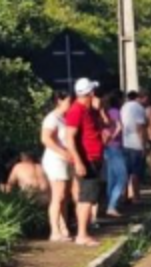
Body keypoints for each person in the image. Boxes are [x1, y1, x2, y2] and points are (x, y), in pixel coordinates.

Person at [64, 77, 109, 246]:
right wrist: (79, 161)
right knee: (86, 198)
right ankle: (82, 234)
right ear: (89, 93)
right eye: (93, 92)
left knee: (90, 197)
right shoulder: (76, 110)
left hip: (95, 157)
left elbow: (106, 124)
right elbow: (69, 138)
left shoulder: (90, 110)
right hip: (86, 159)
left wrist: (100, 110)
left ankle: (84, 232)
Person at [41, 90, 74, 242]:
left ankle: (63, 226)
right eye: (68, 101)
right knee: (58, 195)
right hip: (55, 159)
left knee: (65, 197)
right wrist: (62, 152)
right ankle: (54, 230)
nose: (70, 104)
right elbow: (45, 139)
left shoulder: (64, 118)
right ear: (59, 101)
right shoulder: (52, 118)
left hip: (65, 159)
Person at [102, 91, 127, 218]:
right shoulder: (115, 111)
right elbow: (119, 127)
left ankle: (109, 204)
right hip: (115, 147)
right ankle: (112, 205)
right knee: (122, 177)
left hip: (107, 148)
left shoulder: (104, 112)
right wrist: (114, 136)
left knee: (111, 178)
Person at [121, 90, 148, 203]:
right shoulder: (139, 108)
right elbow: (140, 127)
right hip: (136, 143)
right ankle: (136, 196)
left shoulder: (124, 107)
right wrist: (143, 145)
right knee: (136, 171)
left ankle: (125, 195)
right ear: (140, 97)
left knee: (126, 171)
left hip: (125, 141)